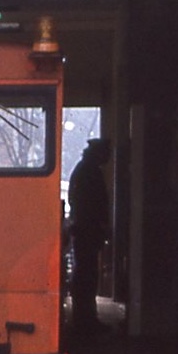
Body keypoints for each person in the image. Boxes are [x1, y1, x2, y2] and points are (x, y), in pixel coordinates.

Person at [67, 138, 111, 339]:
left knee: (85, 273)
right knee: (87, 275)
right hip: (87, 230)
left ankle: (84, 319)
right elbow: (94, 204)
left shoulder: (83, 170)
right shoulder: (90, 173)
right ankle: (85, 321)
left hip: (84, 229)